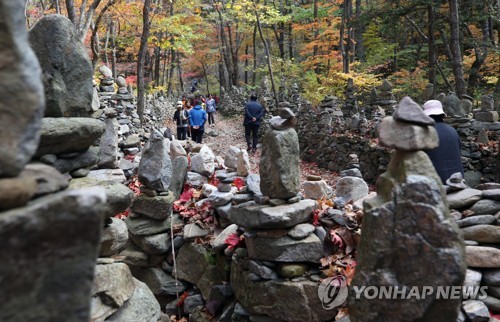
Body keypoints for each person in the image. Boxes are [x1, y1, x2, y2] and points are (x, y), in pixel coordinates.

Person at [423, 99, 464, 184]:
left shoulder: (425, 132)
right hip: (458, 180)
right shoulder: (453, 131)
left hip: (436, 183)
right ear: (442, 115)